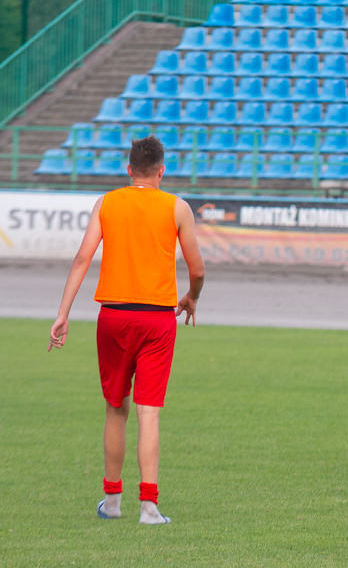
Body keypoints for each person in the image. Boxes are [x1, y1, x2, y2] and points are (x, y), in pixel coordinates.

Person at [49, 136, 205, 523]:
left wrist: (63, 313)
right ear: (162, 171)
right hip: (157, 319)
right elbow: (198, 269)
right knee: (148, 413)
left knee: (115, 409)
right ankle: (149, 507)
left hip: (114, 317)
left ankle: (113, 500)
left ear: (129, 169)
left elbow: (84, 257)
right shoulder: (177, 207)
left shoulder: (107, 202)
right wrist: (191, 297)